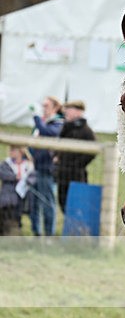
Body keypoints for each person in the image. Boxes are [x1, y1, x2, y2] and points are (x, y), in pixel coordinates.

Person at [28, 95, 63, 236]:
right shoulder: (42, 123)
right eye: (42, 106)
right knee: (34, 203)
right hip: (35, 168)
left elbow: (47, 132)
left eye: (46, 106)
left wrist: (36, 117)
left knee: (47, 203)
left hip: (47, 170)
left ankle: (49, 234)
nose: (43, 109)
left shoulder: (58, 123)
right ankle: (36, 233)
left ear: (55, 107)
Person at [56, 100, 96, 212]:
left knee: (75, 204)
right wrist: (57, 156)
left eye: (69, 110)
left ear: (79, 112)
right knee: (62, 202)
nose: (66, 112)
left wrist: (77, 164)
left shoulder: (86, 131)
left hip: (76, 175)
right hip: (62, 173)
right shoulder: (66, 127)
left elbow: (93, 151)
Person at [0, 145, 33, 235]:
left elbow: (32, 178)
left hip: (22, 198)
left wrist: (26, 180)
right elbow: (2, 174)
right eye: (10, 150)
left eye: (13, 150)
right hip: (7, 198)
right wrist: (15, 177)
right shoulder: (6, 164)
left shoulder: (28, 165)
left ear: (20, 152)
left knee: (17, 217)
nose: (11, 152)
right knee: (5, 216)